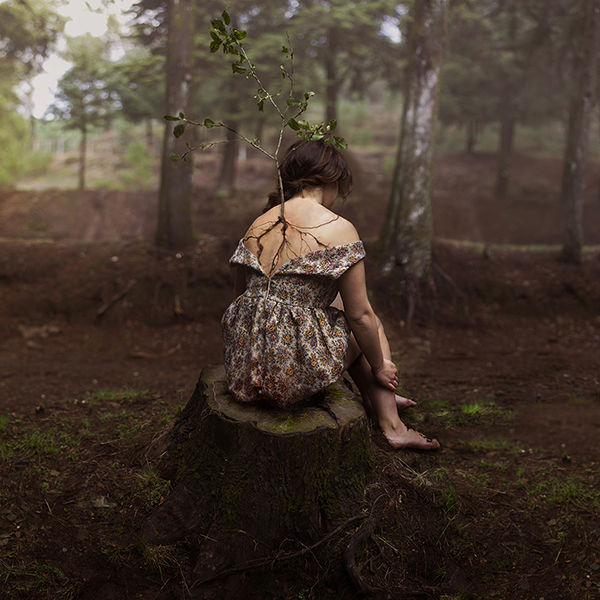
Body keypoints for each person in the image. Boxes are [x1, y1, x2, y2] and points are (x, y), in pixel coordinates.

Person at [221, 139, 439, 451]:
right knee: (369, 322)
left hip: (244, 371)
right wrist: (380, 367)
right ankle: (392, 423)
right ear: (331, 179)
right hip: (286, 380)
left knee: (335, 304)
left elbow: (241, 300)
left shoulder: (258, 223)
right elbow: (360, 316)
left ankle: (372, 394)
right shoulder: (339, 228)